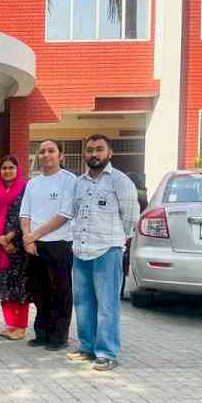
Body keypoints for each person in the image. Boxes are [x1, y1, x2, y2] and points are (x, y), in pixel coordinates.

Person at [67, 135, 139, 371]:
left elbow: (130, 218)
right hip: (81, 250)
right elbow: (74, 213)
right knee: (83, 303)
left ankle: (107, 352)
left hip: (107, 250)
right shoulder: (79, 182)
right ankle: (87, 347)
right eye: (89, 150)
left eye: (99, 150)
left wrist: (117, 242)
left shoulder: (120, 181)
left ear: (110, 153)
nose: (93, 154)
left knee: (107, 305)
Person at [20, 140, 77, 351]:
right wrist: (28, 239)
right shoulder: (33, 183)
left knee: (60, 292)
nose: (46, 155)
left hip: (59, 244)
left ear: (60, 155)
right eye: (42, 151)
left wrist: (33, 235)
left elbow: (64, 215)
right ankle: (42, 333)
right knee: (39, 291)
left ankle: (59, 336)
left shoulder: (69, 180)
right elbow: (24, 214)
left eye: (51, 151)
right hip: (35, 246)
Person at [0, 155, 30, 341]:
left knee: (19, 287)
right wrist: (0, 239)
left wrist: (10, 237)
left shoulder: (25, 190)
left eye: (11, 167)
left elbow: (27, 215)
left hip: (18, 245)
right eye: (4, 168)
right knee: (4, 285)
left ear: (17, 169)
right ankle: (10, 324)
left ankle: (21, 326)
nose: (7, 171)